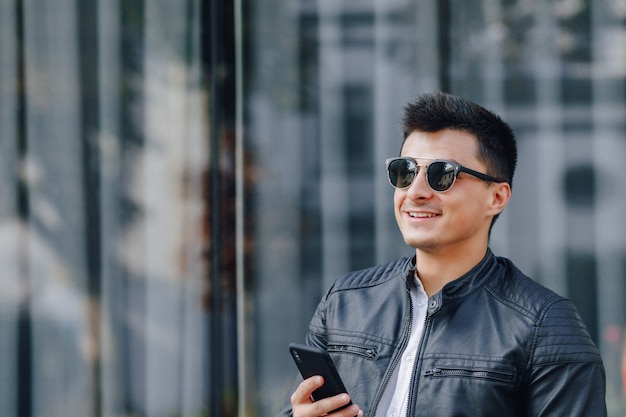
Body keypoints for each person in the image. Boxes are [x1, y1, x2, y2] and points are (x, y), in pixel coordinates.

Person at [277, 91, 606, 417]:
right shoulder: (344, 303)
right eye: (405, 172)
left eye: (442, 174)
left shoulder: (544, 325)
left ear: (497, 197)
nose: (416, 192)